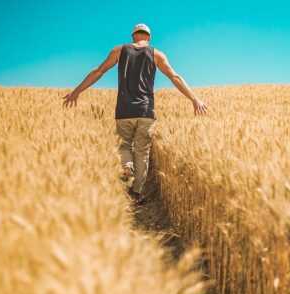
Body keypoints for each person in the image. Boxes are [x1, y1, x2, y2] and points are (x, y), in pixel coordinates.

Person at [62, 23, 207, 204]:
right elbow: (174, 77)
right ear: (148, 37)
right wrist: (195, 99)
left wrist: (77, 91)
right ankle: (137, 192)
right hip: (146, 111)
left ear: (133, 36)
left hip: (124, 110)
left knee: (124, 146)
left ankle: (127, 166)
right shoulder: (157, 54)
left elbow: (98, 71)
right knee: (142, 152)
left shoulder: (119, 50)